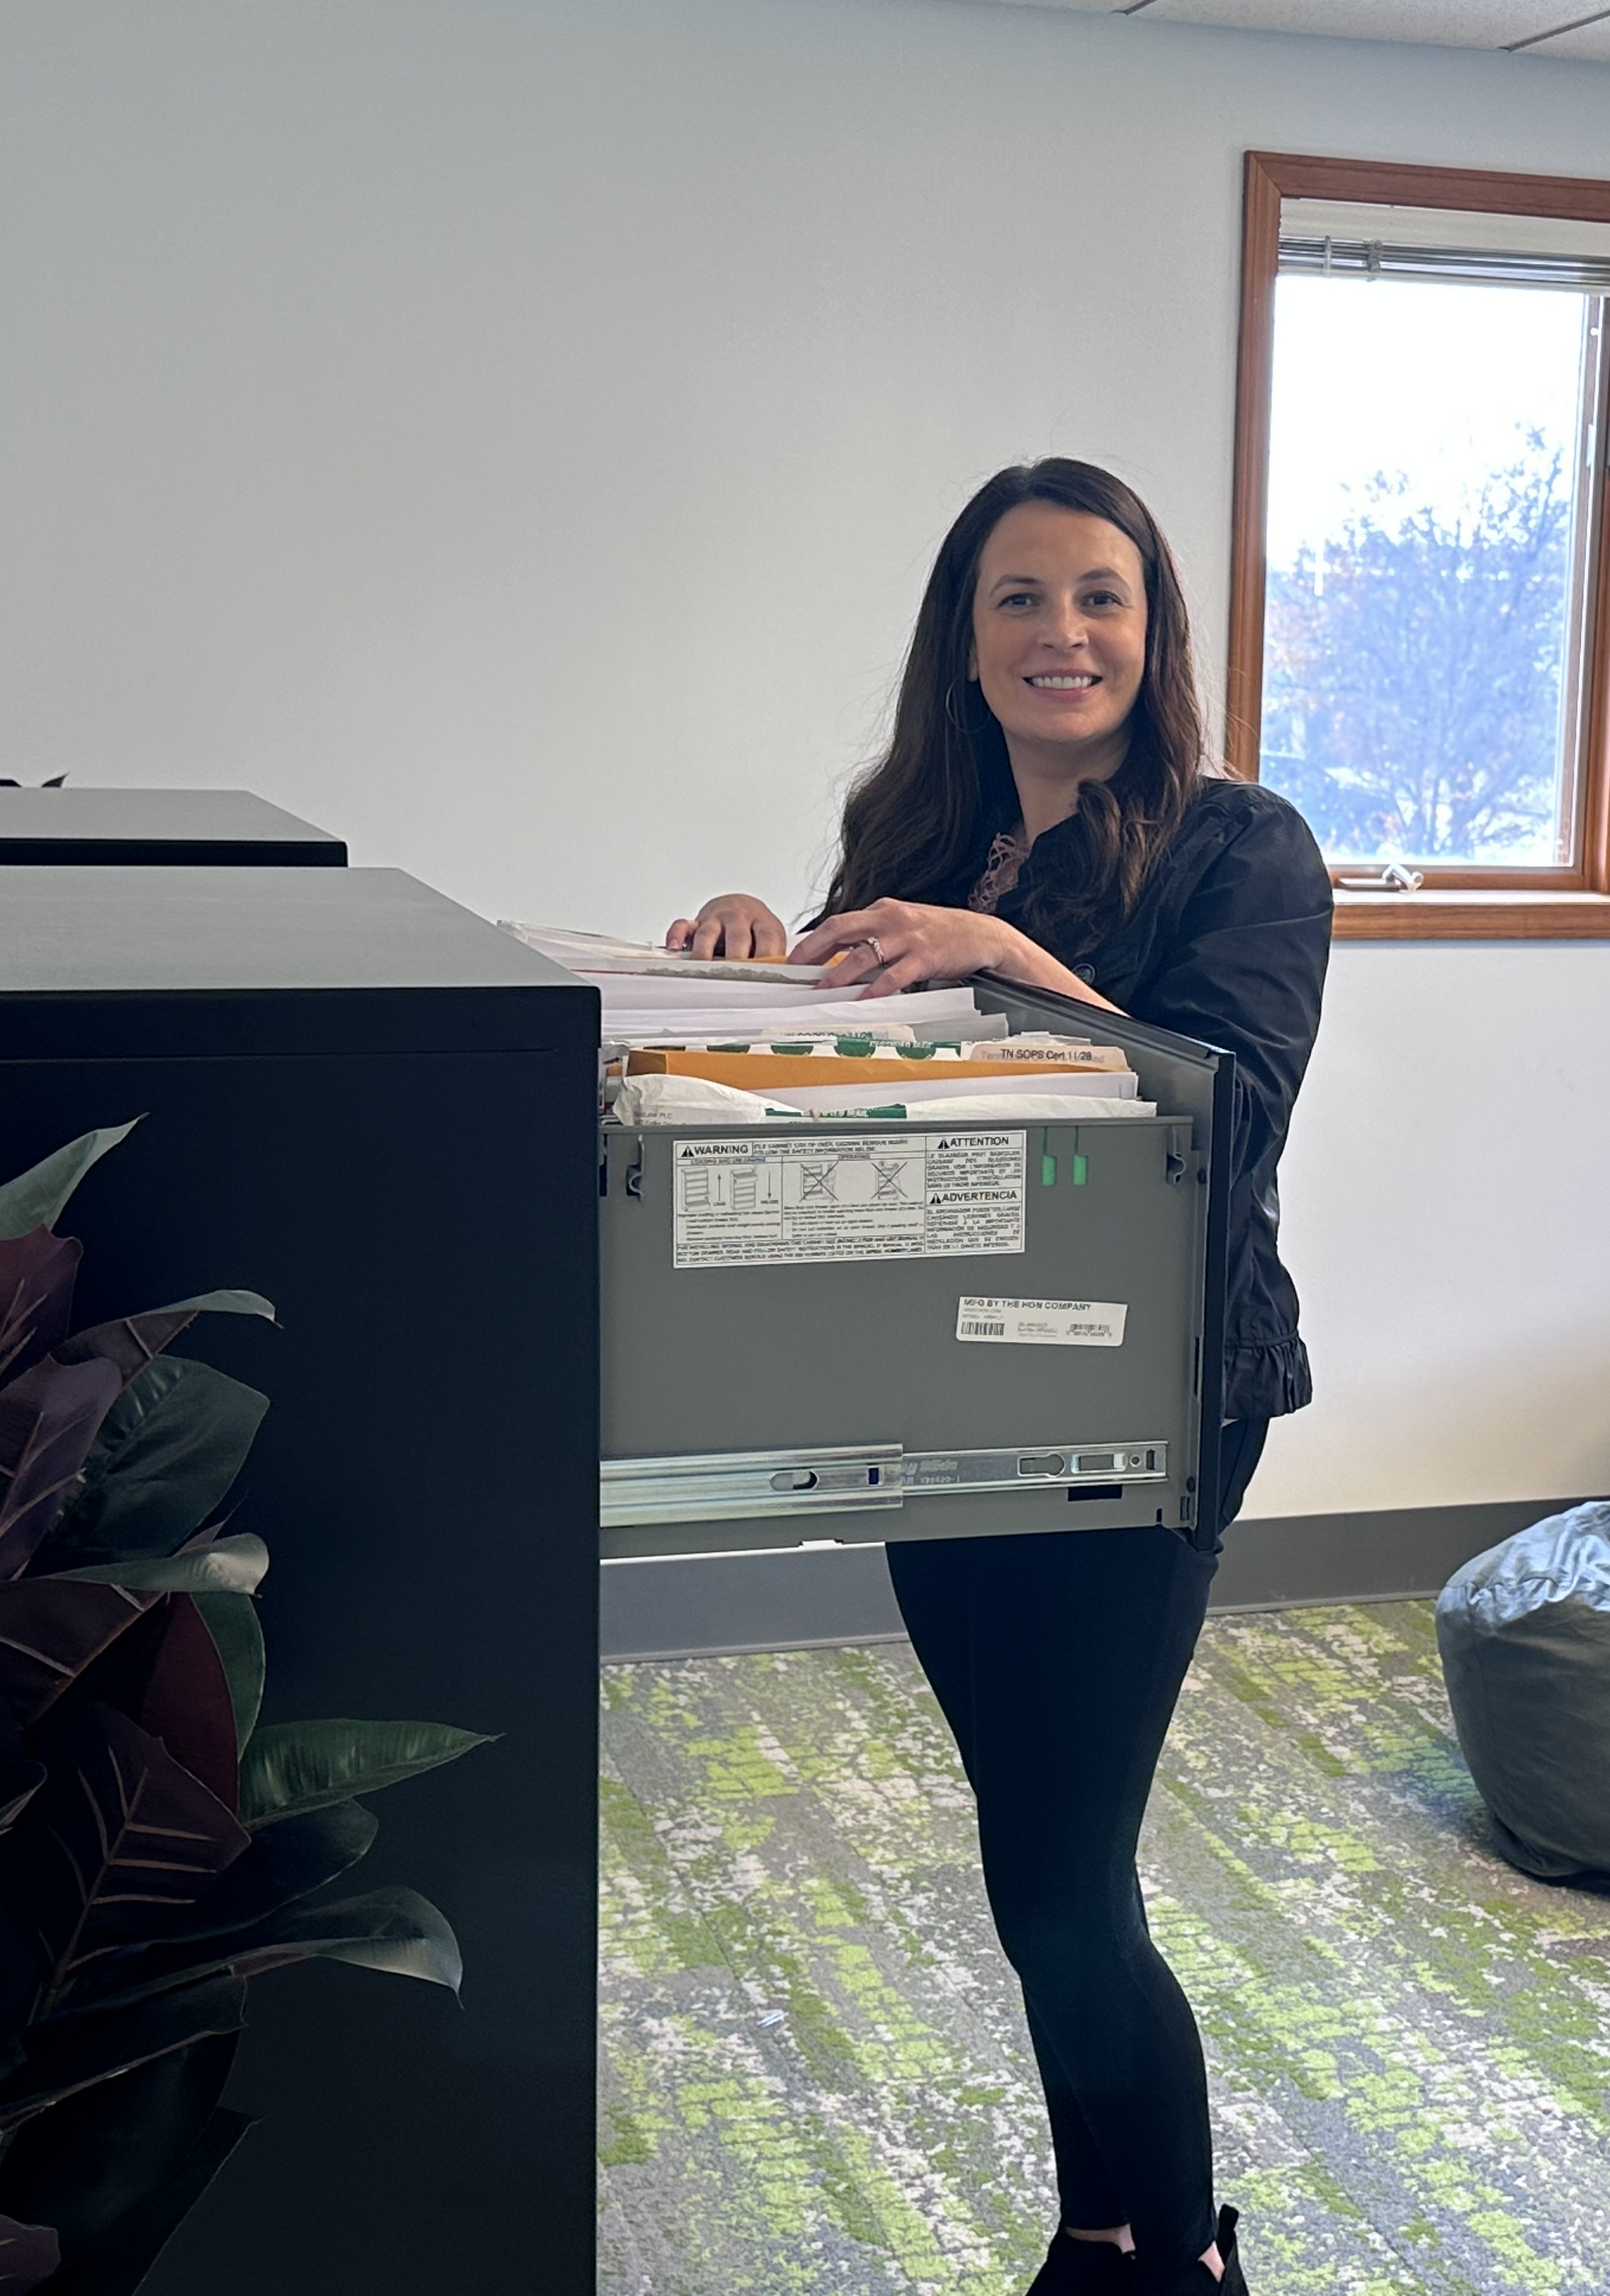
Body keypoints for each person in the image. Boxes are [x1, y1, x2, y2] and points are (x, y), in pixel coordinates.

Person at [666, 458, 1332, 2295]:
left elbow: (1236, 1108)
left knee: (1067, 1877)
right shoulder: (916, 838)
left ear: (1155, 628)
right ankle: (1097, 2225)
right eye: (1021, 601)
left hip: (1154, 1406)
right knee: (1028, 1860)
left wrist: (1008, 959)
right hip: (945, 1397)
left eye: (1100, 597)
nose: (1065, 635)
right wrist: (749, 953)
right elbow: (861, 1085)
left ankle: (1187, 2259)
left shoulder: (1242, 848)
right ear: (966, 645)